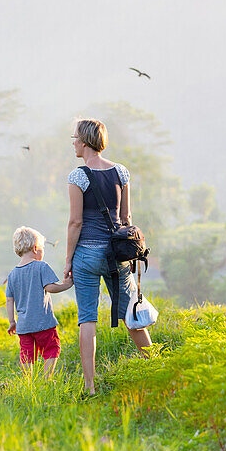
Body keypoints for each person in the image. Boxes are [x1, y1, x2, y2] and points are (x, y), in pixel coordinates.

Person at [62, 118, 151, 395]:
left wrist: (67, 261)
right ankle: (156, 364)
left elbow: (75, 222)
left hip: (86, 255)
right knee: (130, 313)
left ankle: (89, 387)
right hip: (117, 256)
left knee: (87, 319)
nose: (73, 142)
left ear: (86, 141)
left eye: (75, 137)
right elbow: (126, 218)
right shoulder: (121, 173)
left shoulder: (77, 177)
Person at [6, 226, 72, 376]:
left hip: (23, 325)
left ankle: (28, 382)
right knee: (51, 348)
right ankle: (47, 378)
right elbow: (50, 287)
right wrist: (66, 284)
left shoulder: (12, 275)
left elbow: (9, 300)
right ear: (35, 249)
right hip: (43, 323)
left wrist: (12, 321)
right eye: (42, 249)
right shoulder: (41, 266)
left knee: (27, 354)